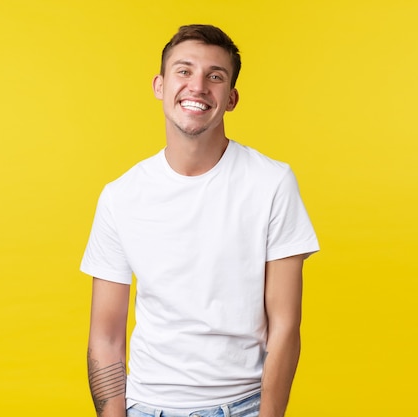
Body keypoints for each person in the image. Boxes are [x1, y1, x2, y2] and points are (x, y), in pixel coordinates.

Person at [81, 24, 319, 417]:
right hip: (146, 407)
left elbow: (285, 327)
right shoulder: (120, 196)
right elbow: (105, 336)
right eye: (184, 71)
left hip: (242, 407)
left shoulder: (272, 183)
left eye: (215, 76)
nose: (198, 86)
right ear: (160, 85)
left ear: (231, 98)